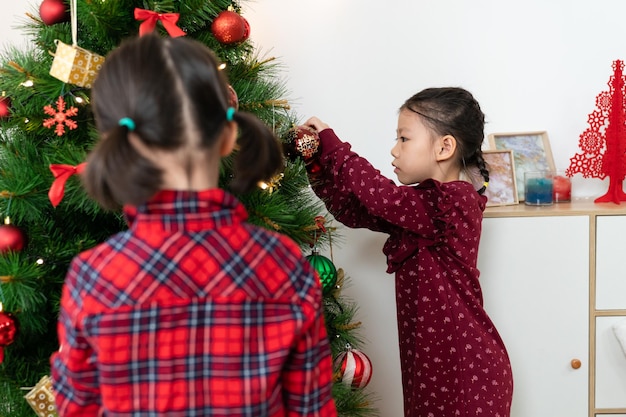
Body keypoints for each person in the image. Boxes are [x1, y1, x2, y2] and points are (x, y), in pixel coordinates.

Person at [50, 34, 337, 417]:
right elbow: (311, 410)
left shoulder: (93, 276)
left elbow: (76, 409)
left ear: (118, 142)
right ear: (229, 133)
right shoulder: (282, 264)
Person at [304, 87, 513, 417]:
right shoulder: (418, 210)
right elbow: (354, 210)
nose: (394, 150)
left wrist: (335, 147)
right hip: (430, 368)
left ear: (444, 147)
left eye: (404, 139)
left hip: (466, 371)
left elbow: (381, 196)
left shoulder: (452, 201)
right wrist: (318, 167)